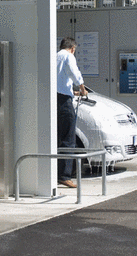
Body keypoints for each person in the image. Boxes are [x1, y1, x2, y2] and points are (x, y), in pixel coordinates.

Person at [57, 37, 87, 188]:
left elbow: (59, 81)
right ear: (73, 48)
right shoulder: (68, 56)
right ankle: (64, 175)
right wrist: (82, 88)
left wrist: (72, 92)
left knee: (57, 136)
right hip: (63, 101)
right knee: (68, 137)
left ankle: (56, 172)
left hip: (54, 99)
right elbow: (75, 74)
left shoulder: (54, 56)